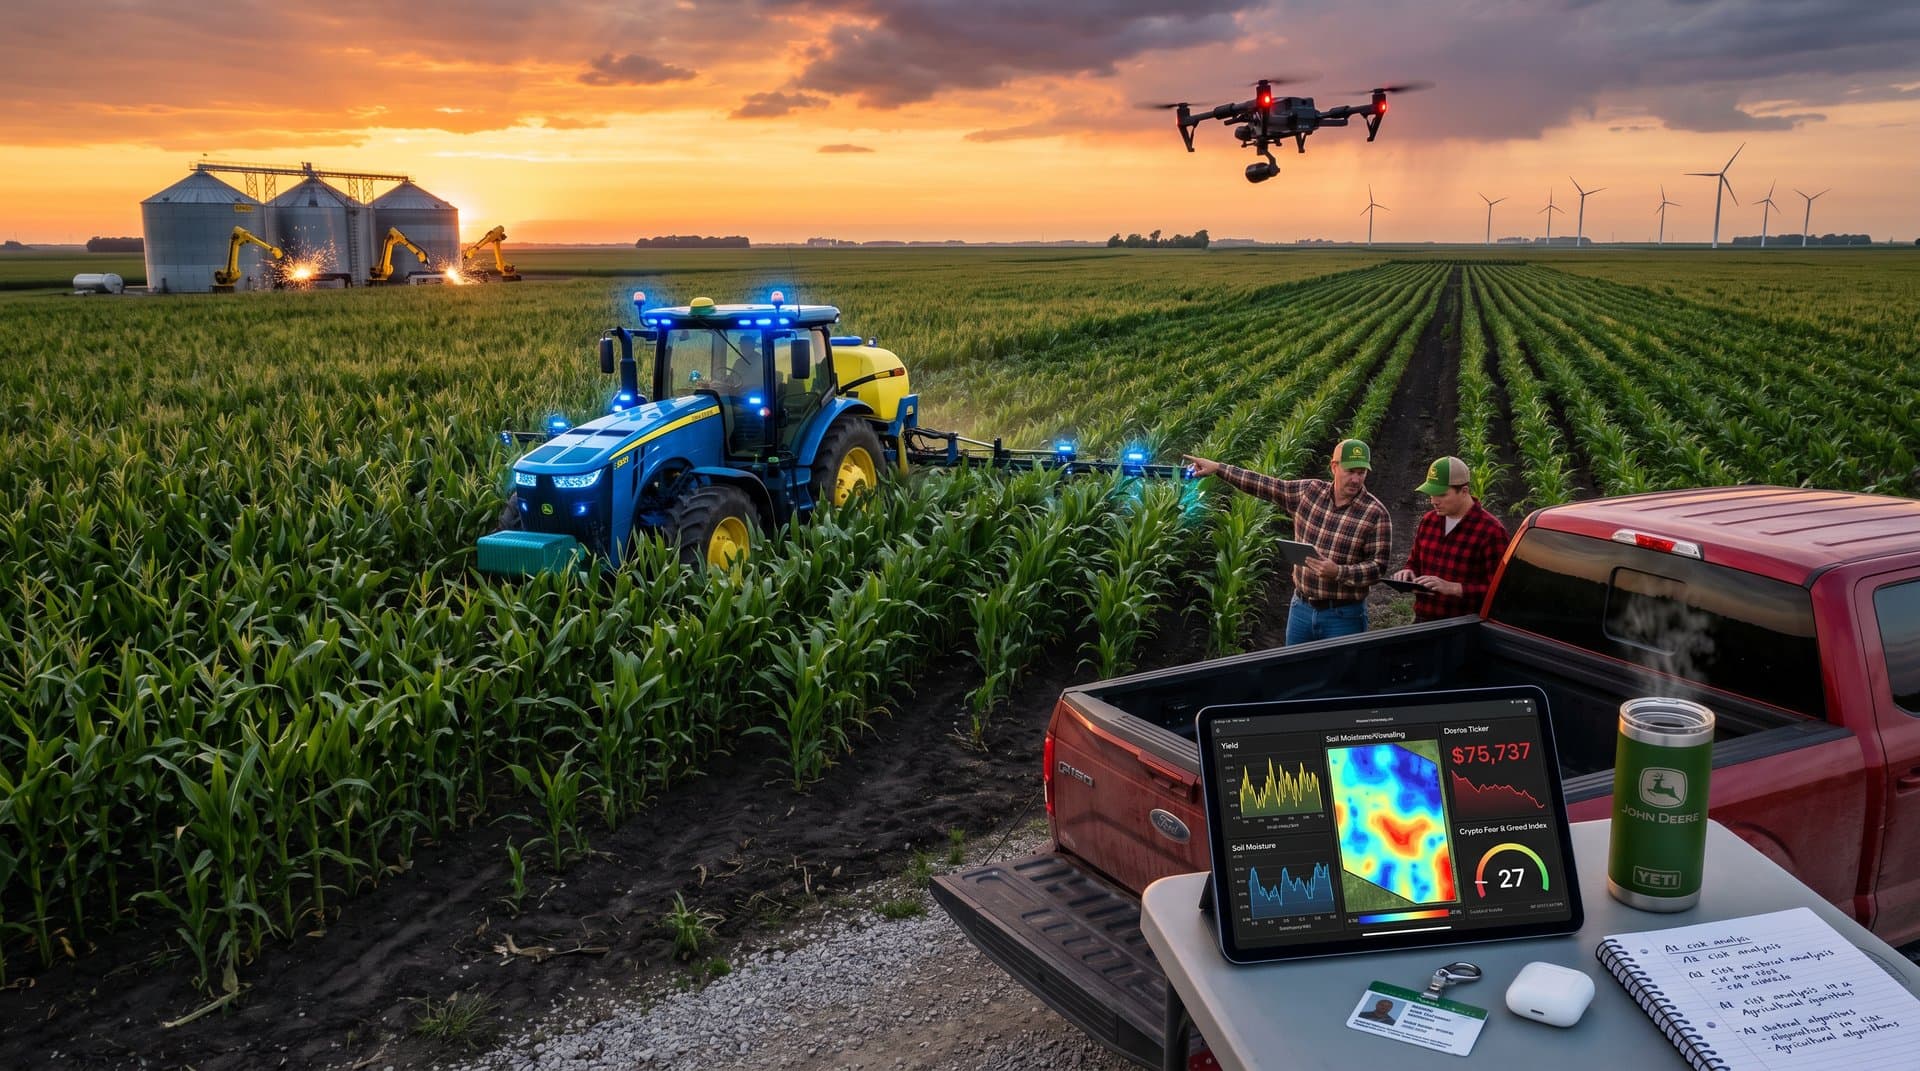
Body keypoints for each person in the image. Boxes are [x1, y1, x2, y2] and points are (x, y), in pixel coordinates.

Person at [1183, 438, 1392, 645]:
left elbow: (1378, 567)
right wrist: (1219, 468)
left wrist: (1338, 572)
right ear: (1334, 467)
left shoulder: (1375, 514)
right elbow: (1266, 486)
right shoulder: (1309, 492)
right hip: (1301, 608)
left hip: (1343, 616)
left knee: (1341, 676)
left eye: (1361, 472)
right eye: (1350, 471)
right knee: (1294, 673)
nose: (1356, 479)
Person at [1395, 456, 1510, 622]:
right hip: (1422, 620)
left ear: (1464, 491)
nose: (1434, 501)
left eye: (1441, 494)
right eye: (1431, 494)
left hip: (1462, 627)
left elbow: (1501, 591)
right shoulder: (1429, 521)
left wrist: (1455, 588)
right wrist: (1408, 572)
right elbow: (1414, 562)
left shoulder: (1491, 531)